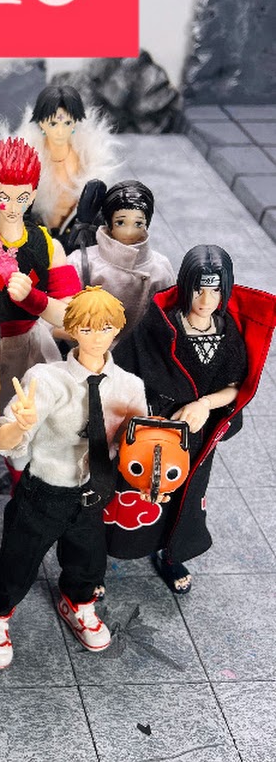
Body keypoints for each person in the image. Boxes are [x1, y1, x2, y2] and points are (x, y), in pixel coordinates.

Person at [0, 287, 147, 670]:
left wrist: (150, 482)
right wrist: (18, 426)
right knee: (18, 560)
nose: (97, 337)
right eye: (86, 329)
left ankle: (78, 601)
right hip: (45, 489)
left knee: (88, 557)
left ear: (117, 329)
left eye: (105, 328)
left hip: (94, 490)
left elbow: (137, 445)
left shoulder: (130, 386)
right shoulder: (47, 379)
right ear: (71, 330)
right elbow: (10, 440)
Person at [107, 245, 276, 593]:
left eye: (215, 290)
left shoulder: (227, 332)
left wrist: (204, 404)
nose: (206, 299)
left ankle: (171, 554)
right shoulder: (161, 325)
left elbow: (235, 386)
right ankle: (101, 555)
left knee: (186, 496)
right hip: (150, 425)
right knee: (135, 487)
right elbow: (123, 369)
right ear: (185, 286)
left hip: (197, 433)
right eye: (198, 289)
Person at [0, 137, 81, 411]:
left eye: (22, 197)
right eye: (5, 197)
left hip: (31, 348)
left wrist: (33, 299)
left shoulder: (48, 246)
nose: (14, 206)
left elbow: (72, 317)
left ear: (33, 194)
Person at [0, 85, 119, 244]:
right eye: (53, 123)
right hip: (34, 237)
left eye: (67, 123)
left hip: (77, 240)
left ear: (75, 122)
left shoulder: (87, 160)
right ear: (41, 122)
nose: (60, 131)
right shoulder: (25, 159)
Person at [67, 180, 176, 342]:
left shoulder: (160, 268)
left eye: (138, 223)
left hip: (138, 351)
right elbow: (63, 314)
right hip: (88, 347)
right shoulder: (81, 262)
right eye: (120, 222)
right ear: (109, 221)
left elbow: (168, 319)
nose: (129, 231)